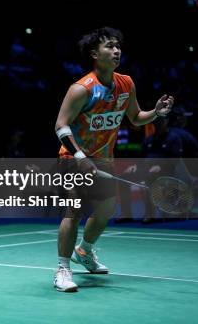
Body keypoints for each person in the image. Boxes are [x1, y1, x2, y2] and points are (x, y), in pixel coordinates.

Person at [53, 27, 173, 292]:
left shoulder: (126, 83)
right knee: (74, 210)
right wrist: (81, 156)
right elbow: (61, 126)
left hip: (103, 160)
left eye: (118, 46)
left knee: (106, 210)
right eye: (110, 46)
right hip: (74, 158)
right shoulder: (81, 89)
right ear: (95, 54)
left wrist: (157, 112)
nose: (117, 50)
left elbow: (135, 118)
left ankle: (84, 251)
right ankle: (62, 269)